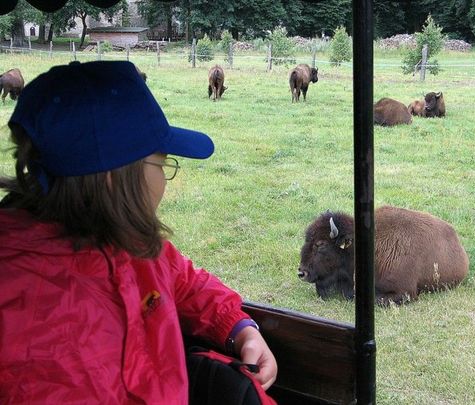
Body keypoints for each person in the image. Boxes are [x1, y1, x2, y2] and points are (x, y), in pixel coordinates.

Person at [0, 60, 277, 403]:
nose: (164, 178)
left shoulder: (128, 241)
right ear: (113, 178)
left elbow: (184, 280)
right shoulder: (33, 323)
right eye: (161, 163)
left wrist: (238, 328)